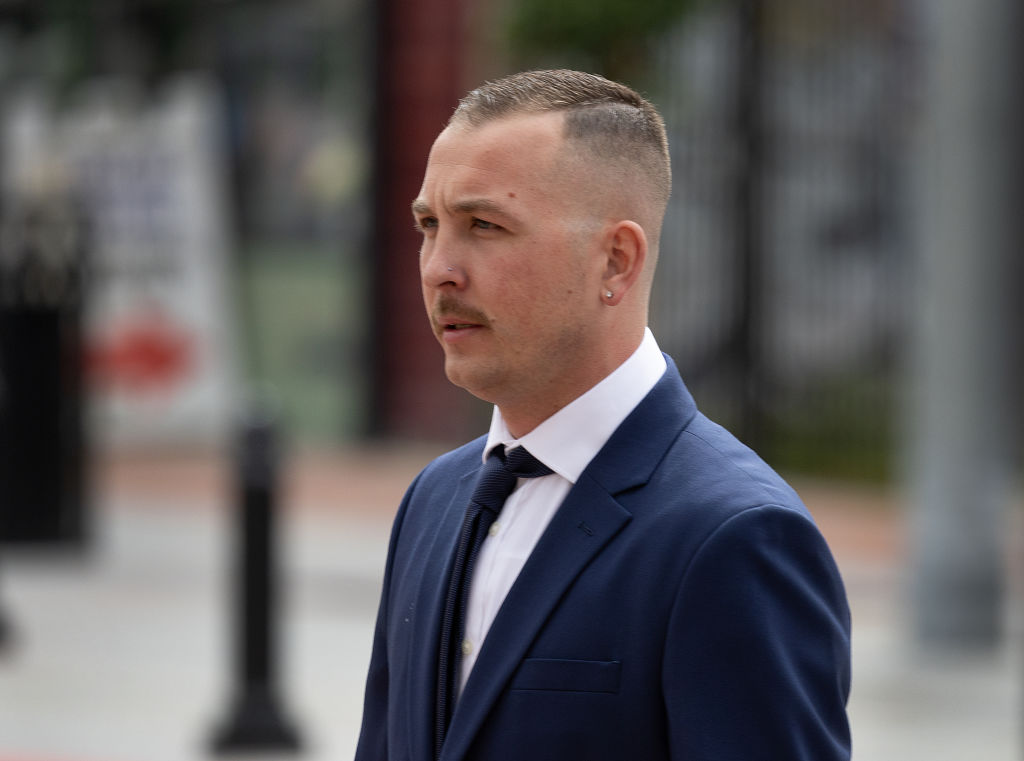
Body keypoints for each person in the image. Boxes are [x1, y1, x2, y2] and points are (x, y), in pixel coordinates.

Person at [355, 69, 851, 761]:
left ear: (615, 261)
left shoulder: (734, 535)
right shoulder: (433, 499)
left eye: (484, 226)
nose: (439, 267)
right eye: (429, 225)